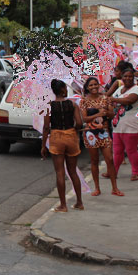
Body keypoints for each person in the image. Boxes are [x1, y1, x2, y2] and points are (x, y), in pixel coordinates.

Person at [41, 79, 84, 212]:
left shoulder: (49, 106)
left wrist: (43, 146)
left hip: (56, 137)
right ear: (63, 90)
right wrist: (74, 130)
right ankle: (79, 202)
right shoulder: (73, 105)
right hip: (71, 136)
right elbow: (79, 123)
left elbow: (46, 127)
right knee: (73, 171)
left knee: (60, 172)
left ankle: (63, 205)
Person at [80, 77, 123, 197]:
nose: (94, 87)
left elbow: (112, 114)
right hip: (90, 134)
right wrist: (98, 113)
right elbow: (85, 119)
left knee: (109, 159)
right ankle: (97, 188)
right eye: (91, 85)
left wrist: (106, 112)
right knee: (94, 161)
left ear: (99, 85)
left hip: (104, 132)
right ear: (87, 87)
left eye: (95, 84)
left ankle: (115, 188)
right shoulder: (84, 101)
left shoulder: (105, 98)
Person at [110, 68, 138, 181]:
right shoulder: (119, 89)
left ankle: (135, 172)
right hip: (117, 126)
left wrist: (113, 99)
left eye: (130, 76)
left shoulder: (137, 89)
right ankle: (114, 172)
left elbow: (130, 100)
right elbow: (110, 102)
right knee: (117, 151)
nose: (128, 78)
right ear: (122, 77)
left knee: (131, 150)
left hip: (131, 125)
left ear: (133, 77)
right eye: (125, 76)